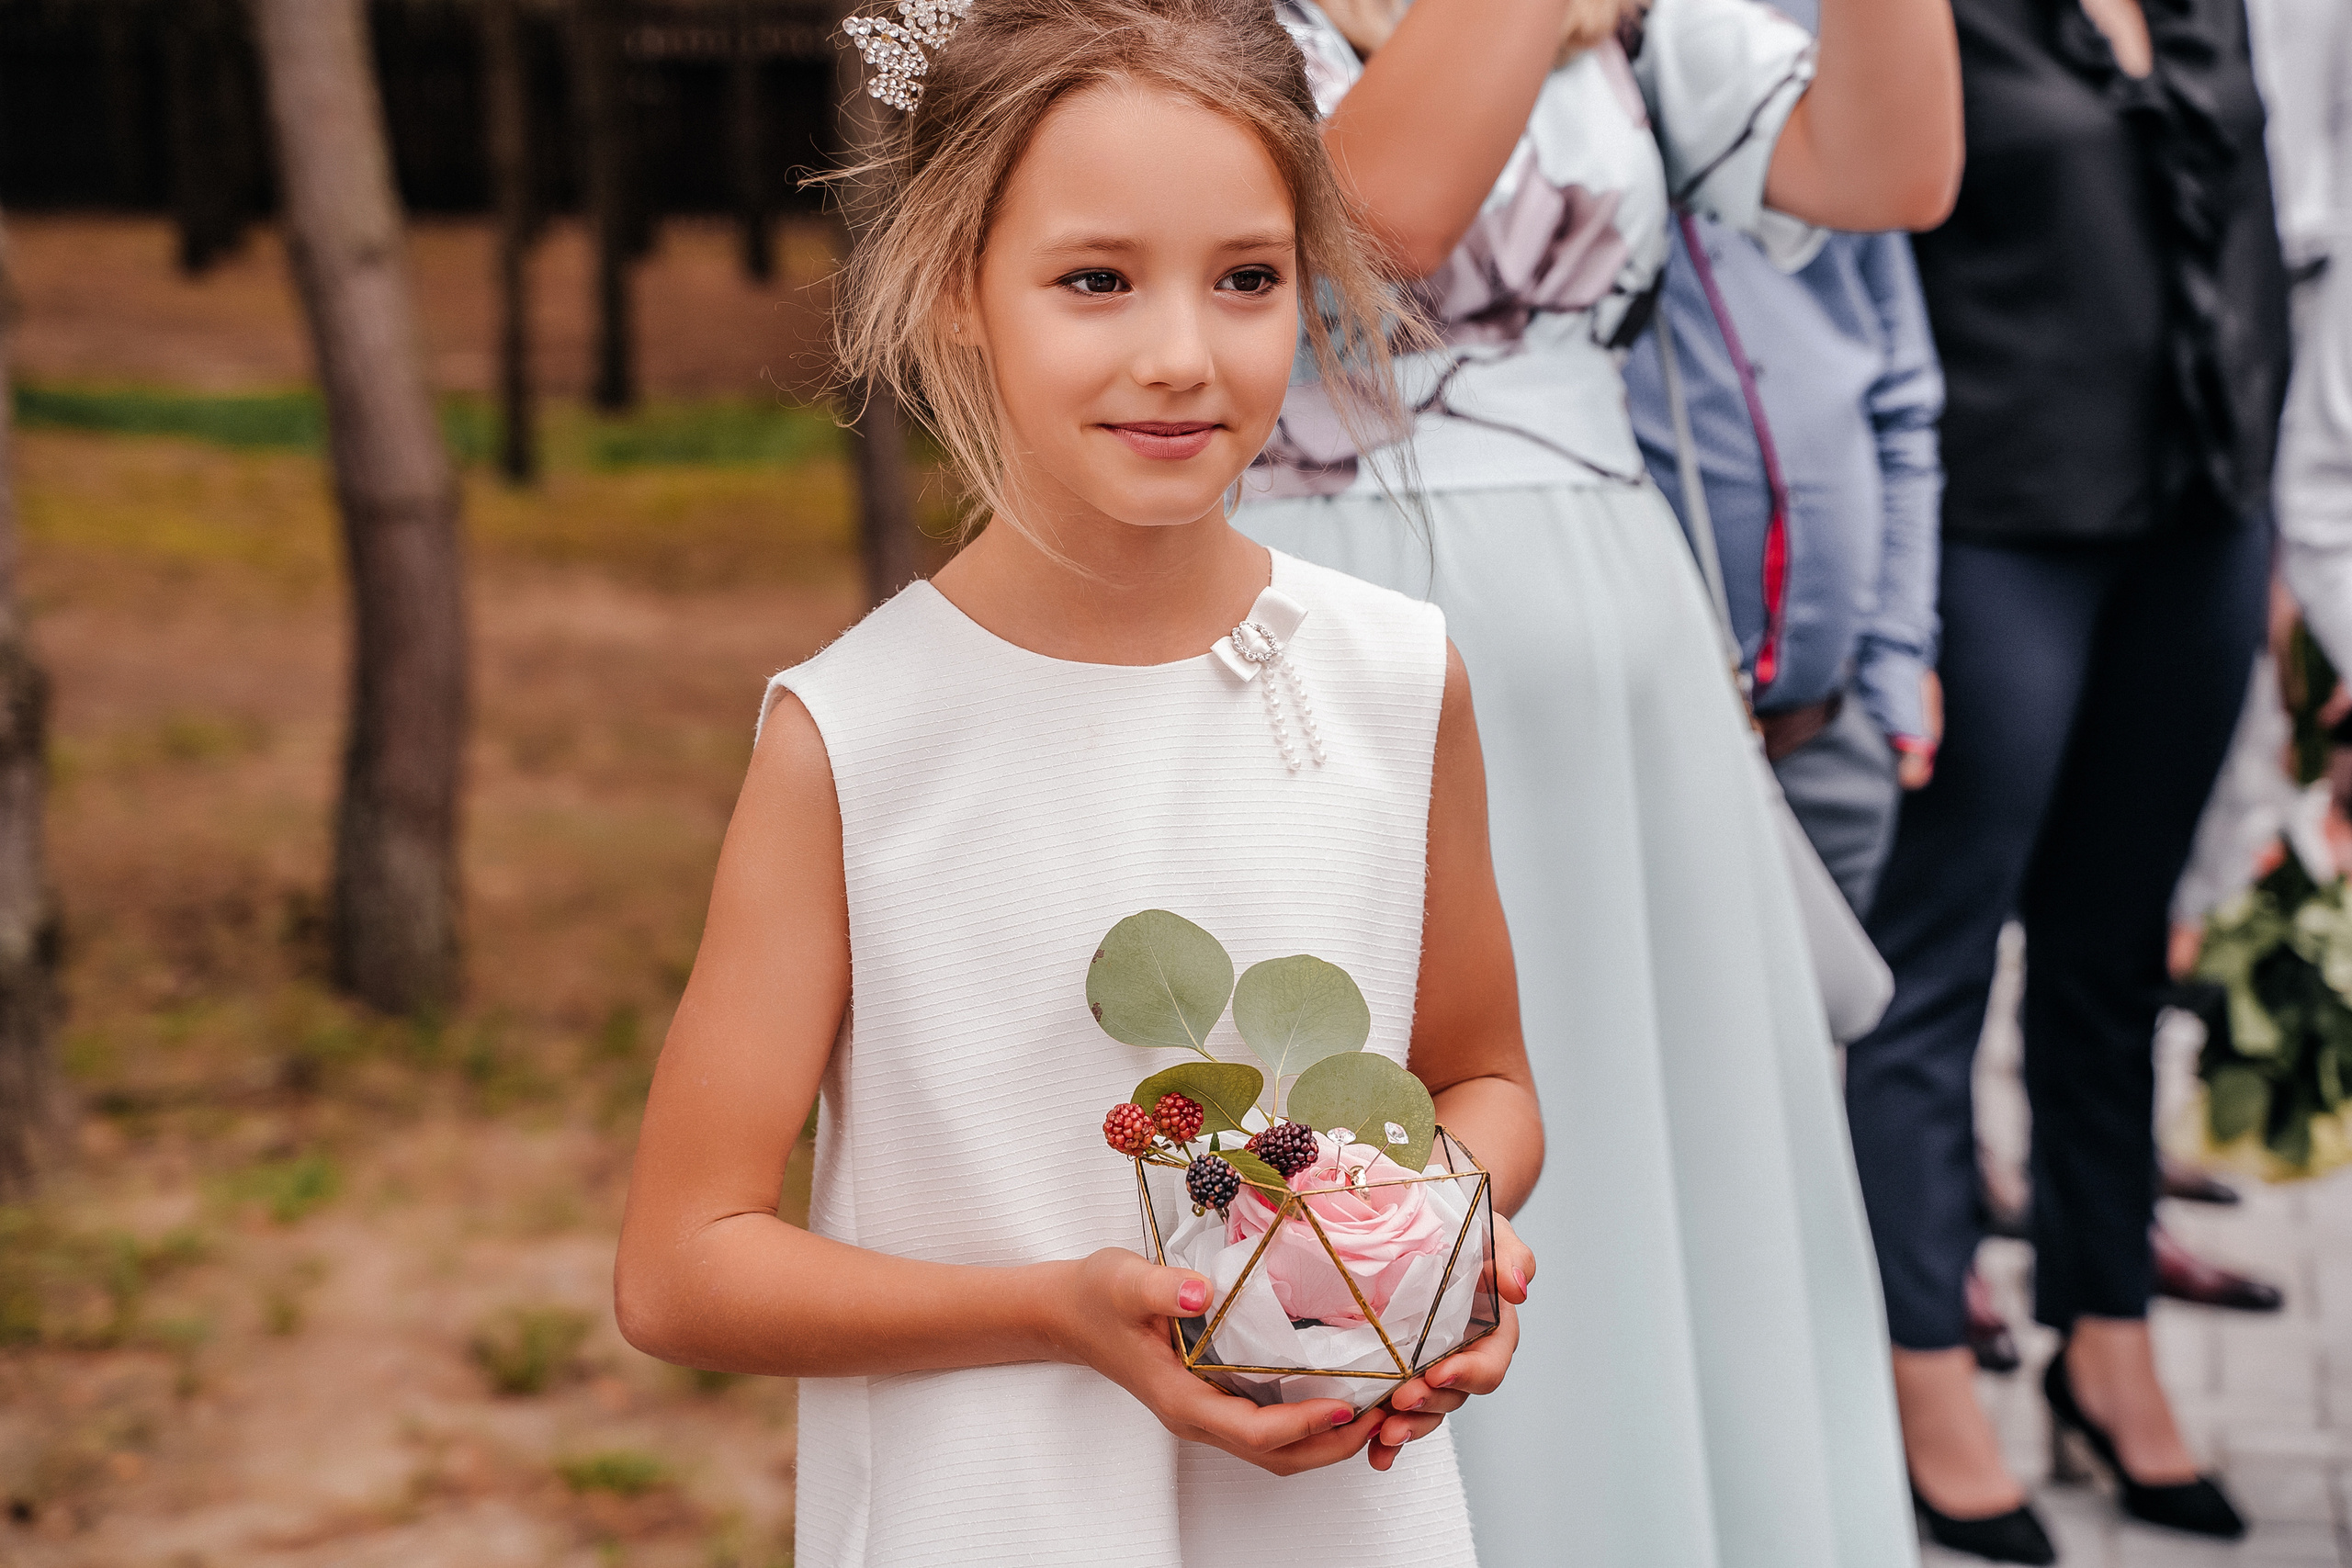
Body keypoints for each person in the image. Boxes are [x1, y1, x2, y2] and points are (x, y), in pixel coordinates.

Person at [611, 1, 1544, 1562]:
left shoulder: (1394, 676)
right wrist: (1057, 1310)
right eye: (1095, 280)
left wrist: (1434, 1241)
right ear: (962, 286)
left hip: (1328, 1506)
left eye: (1246, 279)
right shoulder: (854, 738)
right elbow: (682, 1262)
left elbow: (1484, 1084)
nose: (1180, 355)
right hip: (996, 1506)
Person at [1230, 0, 1962, 1558]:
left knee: (1649, 1146)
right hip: (1303, 626)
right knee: (1362, 1133)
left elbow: (1891, 168)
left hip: (1618, 648)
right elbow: (1374, 219)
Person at [1844, 0, 2292, 1553]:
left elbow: (2260, 253)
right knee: (1930, 975)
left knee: (2113, 969)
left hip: (2202, 521)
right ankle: (1919, 1375)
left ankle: (2110, 1344)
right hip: (1996, 533)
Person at [1622, 196, 1944, 919]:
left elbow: (1903, 408)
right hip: (1641, 757)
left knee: (1829, 1020)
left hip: (1829, 729)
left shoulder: (1834, 144)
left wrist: (1894, 657)